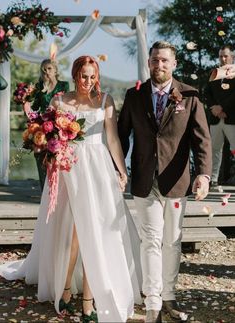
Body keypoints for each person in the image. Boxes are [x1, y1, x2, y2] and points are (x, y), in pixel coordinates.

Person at [0, 56, 141, 322]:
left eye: (92, 76)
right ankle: (65, 288)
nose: (88, 82)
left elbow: (112, 139)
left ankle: (88, 298)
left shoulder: (106, 100)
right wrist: (51, 155)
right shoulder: (60, 101)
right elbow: (50, 138)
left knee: (96, 229)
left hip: (98, 170)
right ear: (75, 75)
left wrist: (122, 171)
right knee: (73, 231)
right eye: (83, 76)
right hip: (70, 170)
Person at [118, 41, 212, 322]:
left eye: (164, 61)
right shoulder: (133, 96)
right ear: (148, 62)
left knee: (171, 240)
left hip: (177, 181)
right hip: (145, 180)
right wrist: (117, 168)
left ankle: (169, 295)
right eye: (155, 60)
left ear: (174, 64)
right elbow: (122, 136)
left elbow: (202, 140)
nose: (159, 65)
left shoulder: (190, 95)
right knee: (151, 240)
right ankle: (152, 303)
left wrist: (203, 176)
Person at [23, 59, 70, 190]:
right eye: (44, 70)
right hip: (41, 128)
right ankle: (45, 191)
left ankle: (57, 191)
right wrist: (26, 99)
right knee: (41, 158)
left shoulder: (63, 86)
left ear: (55, 70)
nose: (46, 72)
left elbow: (66, 106)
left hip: (57, 128)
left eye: (49, 68)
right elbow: (35, 107)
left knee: (56, 160)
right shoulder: (39, 87)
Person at [205, 45, 235, 190]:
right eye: (221, 56)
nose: (223, 59)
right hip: (216, 119)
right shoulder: (214, 73)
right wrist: (214, 109)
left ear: (232, 57)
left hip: (232, 118)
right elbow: (207, 93)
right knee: (214, 149)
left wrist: (222, 108)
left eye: (226, 56)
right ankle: (213, 179)